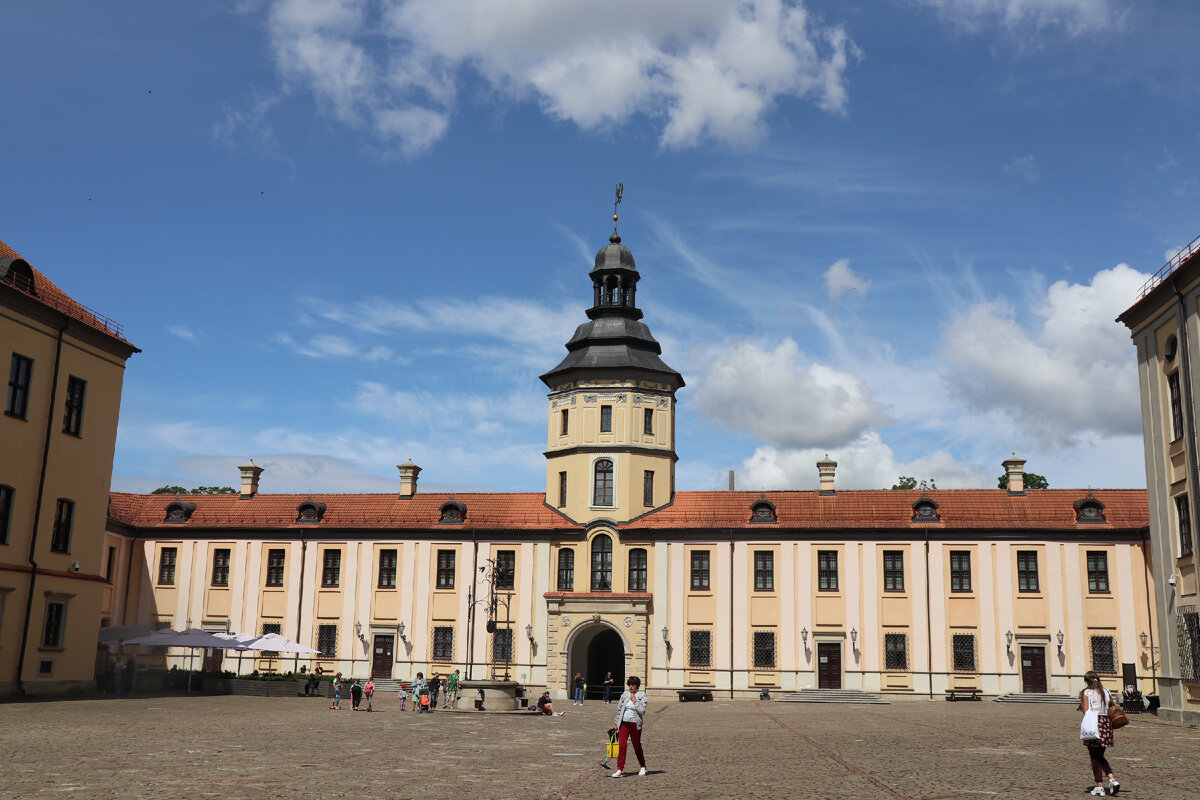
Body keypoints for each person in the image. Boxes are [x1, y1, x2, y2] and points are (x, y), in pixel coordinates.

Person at [1079, 670, 1119, 796]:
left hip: (1094, 724)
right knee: (1099, 755)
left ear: (1087, 681)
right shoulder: (1106, 691)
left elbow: (1086, 711)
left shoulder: (1087, 692)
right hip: (1106, 724)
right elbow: (1111, 706)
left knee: (1094, 756)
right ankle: (1111, 779)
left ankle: (1100, 786)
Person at [611, 676, 648, 778]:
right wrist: (616, 723)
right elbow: (620, 710)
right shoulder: (625, 695)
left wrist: (635, 701)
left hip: (635, 724)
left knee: (636, 746)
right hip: (624, 724)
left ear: (637, 686)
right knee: (622, 745)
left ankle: (643, 766)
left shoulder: (642, 696)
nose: (631, 687)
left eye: (633, 685)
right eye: (630, 685)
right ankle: (620, 769)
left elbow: (642, 711)